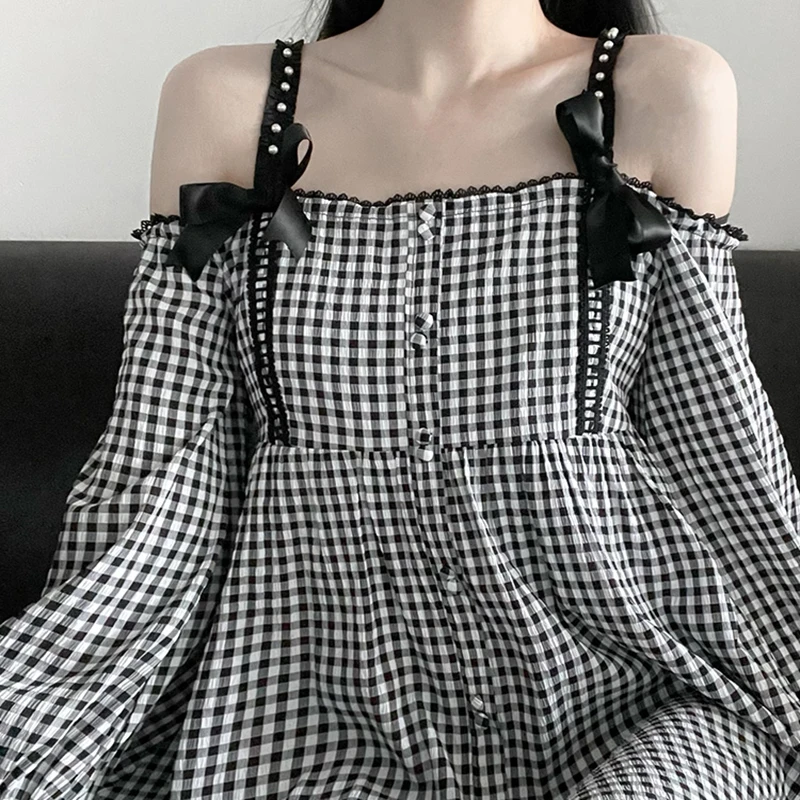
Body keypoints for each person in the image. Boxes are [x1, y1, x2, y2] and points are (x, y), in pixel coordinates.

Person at [2, 0, 800, 797]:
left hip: (635, 695)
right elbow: (166, 463)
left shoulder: (663, 88)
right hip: (318, 712)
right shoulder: (227, 100)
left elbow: (714, 439)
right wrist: (46, 716)